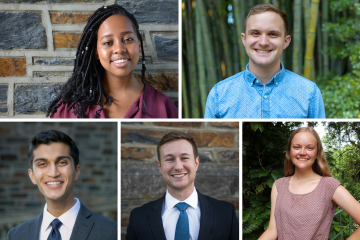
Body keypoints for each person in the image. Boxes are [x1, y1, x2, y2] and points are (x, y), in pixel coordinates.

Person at [47, 4, 178, 118]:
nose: (119, 49)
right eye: (108, 42)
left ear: (139, 44)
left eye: (128, 39)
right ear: (96, 52)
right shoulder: (67, 109)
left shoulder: (164, 107)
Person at [205, 4, 325, 119]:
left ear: (286, 41)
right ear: (244, 39)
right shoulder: (218, 95)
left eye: (273, 34)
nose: (263, 42)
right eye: (255, 33)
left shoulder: (309, 93)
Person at [125, 131, 239, 240]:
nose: (178, 167)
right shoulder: (139, 217)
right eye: (169, 159)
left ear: (196, 163)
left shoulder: (225, 213)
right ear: (160, 166)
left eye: (184, 158)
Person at [7, 130, 117, 240]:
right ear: (32, 176)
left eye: (62, 162)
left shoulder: (110, 232)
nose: (53, 173)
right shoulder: (16, 235)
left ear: (77, 171)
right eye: (42, 164)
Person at [259, 127, 360, 240]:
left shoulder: (329, 186)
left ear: (317, 153)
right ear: (289, 152)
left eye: (309, 148)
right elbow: (272, 230)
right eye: (297, 147)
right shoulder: (278, 186)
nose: (302, 152)